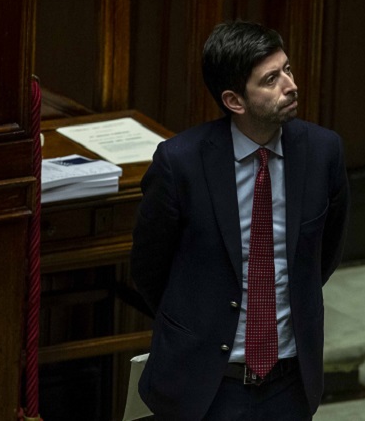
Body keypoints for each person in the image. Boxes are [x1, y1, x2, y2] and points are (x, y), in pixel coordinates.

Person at [131, 21, 350, 420]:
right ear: (234, 101)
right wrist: (196, 322)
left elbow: (324, 255)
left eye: (287, 70)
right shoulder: (180, 163)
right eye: (271, 79)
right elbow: (149, 269)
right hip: (204, 385)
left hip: (290, 382)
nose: (291, 86)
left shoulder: (323, 152)